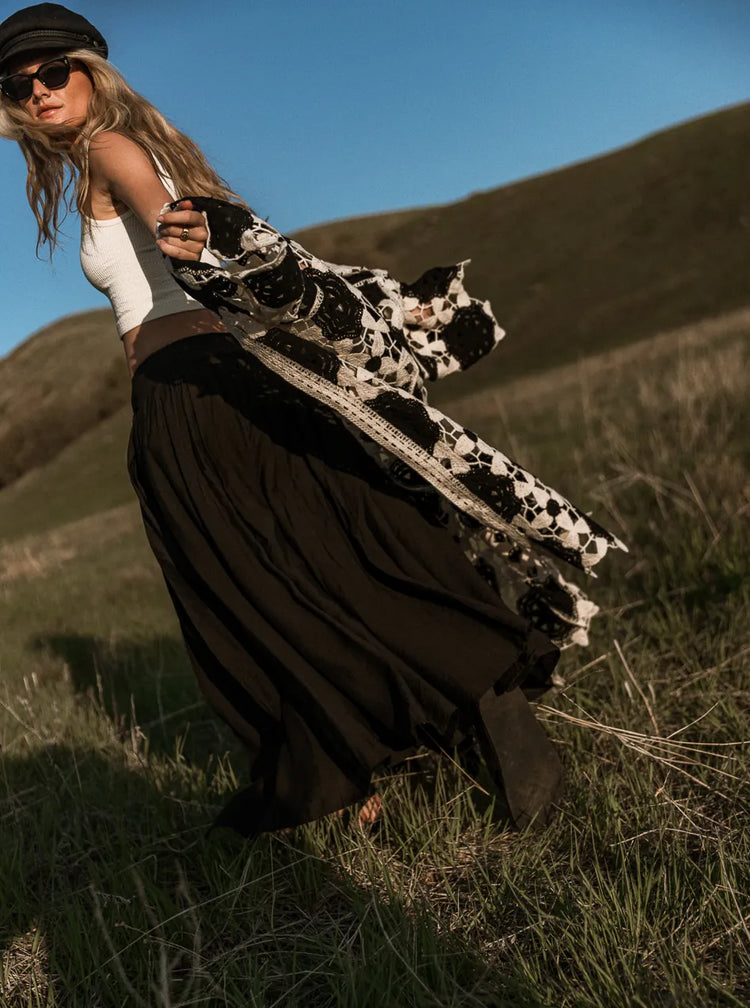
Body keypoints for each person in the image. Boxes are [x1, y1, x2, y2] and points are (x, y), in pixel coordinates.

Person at [0, 4, 626, 836]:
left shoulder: (114, 151)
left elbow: (174, 224)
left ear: (91, 70)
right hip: (215, 384)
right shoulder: (102, 158)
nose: (39, 92)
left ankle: (365, 765)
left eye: (54, 72)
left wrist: (189, 238)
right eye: (19, 83)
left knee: (252, 588)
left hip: (194, 392)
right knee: (341, 553)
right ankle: (437, 745)